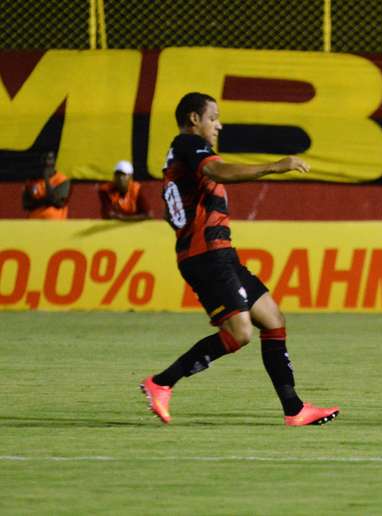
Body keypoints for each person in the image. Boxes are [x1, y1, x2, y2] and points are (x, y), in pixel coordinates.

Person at [140, 92, 339, 426]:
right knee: (239, 333)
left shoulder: (179, 155)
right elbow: (220, 171)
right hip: (206, 256)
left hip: (220, 253)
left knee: (273, 319)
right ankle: (161, 382)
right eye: (213, 117)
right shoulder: (189, 145)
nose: (219, 124)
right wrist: (276, 166)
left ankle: (294, 409)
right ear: (194, 119)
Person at [22, 151, 71, 219]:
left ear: (55, 161)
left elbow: (58, 202)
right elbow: (26, 204)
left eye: (49, 159)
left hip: (54, 223)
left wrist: (46, 179)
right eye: (43, 159)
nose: (46, 162)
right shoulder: (31, 181)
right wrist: (46, 201)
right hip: (34, 223)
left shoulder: (62, 180)